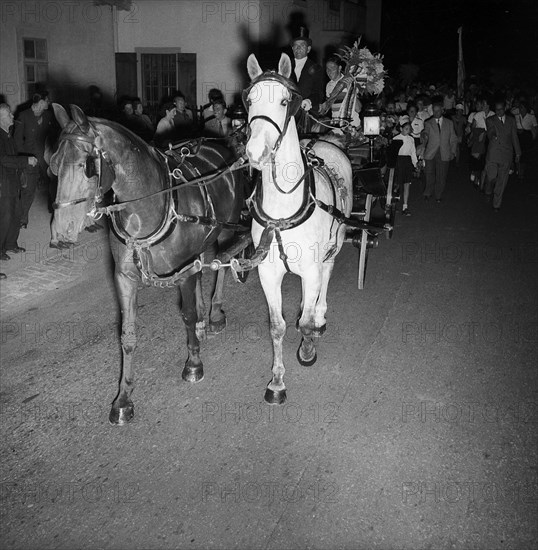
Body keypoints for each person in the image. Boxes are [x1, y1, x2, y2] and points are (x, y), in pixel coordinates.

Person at [0, 103, 38, 267]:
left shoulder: (8, 135)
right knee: (5, 216)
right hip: (3, 183)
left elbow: (13, 156)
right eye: (8, 113)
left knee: (16, 214)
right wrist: (26, 160)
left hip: (13, 181)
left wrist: (24, 164)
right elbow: (3, 160)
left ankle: (10, 244)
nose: (12, 116)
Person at [13, 91, 55, 226]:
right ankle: (22, 218)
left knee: (53, 186)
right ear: (41, 102)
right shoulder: (23, 116)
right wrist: (25, 159)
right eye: (47, 101)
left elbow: (53, 136)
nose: (49, 103)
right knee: (28, 190)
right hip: (30, 158)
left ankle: (54, 212)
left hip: (46, 158)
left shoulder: (48, 116)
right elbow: (17, 141)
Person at [484, 99, 521, 211]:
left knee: (502, 180)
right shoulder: (490, 119)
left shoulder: (511, 120)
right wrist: (492, 135)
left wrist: (518, 152)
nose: (498, 111)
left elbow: (514, 137)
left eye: (500, 109)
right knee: (491, 177)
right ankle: (488, 188)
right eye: (496, 109)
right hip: (493, 154)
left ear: (505, 109)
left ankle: (496, 204)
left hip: (506, 154)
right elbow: (490, 131)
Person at [289, 27, 324, 133]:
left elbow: (319, 93)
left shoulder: (316, 68)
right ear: (292, 48)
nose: (298, 48)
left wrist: (309, 101)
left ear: (308, 49)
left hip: (308, 115)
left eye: (302, 45)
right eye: (296, 45)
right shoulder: (285, 66)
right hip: (288, 114)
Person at [421, 101, 458, 202]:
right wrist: (424, 135)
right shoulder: (428, 122)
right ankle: (428, 193)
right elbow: (425, 132)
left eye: (438, 110)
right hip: (431, 152)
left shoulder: (449, 123)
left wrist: (453, 152)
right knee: (429, 174)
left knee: (441, 176)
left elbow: (453, 138)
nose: (436, 112)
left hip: (444, 152)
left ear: (442, 110)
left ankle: (438, 195)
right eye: (434, 111)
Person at [318, 57, 361, 130]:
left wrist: (350, 89)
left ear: (339, 68)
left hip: (352, 126)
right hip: (336, 126)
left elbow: (358, 108)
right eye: (327, 69)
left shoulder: (349, 81)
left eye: (332, 68)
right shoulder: (328, 85)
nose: (329, 71)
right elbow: (330, 107)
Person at [466, 97, 494, 190]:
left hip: (488, 139)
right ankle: (476, 177)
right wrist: (473, 138)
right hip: (479, 139)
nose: (483, 106)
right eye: (482, 104)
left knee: (485, 160)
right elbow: (473, 128)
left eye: (485, 104)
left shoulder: (493, 114)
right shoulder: (478, 114)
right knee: (477, 159)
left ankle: (483, 181)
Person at [393, 117, 418, 216]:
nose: (408, 130)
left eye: (409, 129)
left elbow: (413, 152)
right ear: (401, 129)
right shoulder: (396, 139)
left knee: (407, 184)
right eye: (406, 129)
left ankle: (405, 206)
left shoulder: (411, 139)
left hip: (407, 162)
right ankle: (394, 205)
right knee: (397, 184)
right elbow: (393, 153)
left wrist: (415, 164)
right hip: (398, 162)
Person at [513, 100, 537, 179]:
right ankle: (518, 170)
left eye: (522, 107)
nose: (520, 109)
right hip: (518, 137)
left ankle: (521, 172)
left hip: (526, 138)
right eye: (520, 107)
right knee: (517, 154)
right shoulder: (516, 116)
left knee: (524, 156)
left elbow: (535, 128)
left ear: (526, 108)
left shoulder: (531, 117)